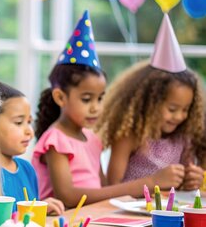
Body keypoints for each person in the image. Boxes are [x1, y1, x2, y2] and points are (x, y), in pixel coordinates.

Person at [31, 11, 178, 208]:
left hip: (92, 218)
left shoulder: (92, 139)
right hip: (61, 223)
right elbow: (67, 197)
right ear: (60, 97)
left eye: (100, 98)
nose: (95, 107)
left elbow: (103, 189)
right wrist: (147, 183)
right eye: (86, 99)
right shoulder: (56, 141)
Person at [97, 14, 204, 191]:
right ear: (149, 102)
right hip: (131, 214)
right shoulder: (130, 136)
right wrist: (154, 181)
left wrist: (193, 180)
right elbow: (112, 188)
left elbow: (183, 184)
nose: (179, 116)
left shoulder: (182, 138)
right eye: (172, 109)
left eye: (186, 109)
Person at [0, 81, 65, 215]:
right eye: (19, 122)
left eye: (29, 122)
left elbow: (30, 220)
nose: (30, 132)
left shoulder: (27, 169)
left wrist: (41, 208)